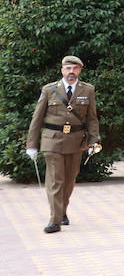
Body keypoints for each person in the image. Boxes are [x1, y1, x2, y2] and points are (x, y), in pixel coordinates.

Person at [26, 56, 100, 234]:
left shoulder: (87, 90)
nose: (71, 72)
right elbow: (37, 119)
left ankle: (62, 211)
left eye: (75, 68)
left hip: (75, 141)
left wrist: (93, 141)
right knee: (56, 180)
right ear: (62, 70)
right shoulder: (49, 90)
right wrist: (32, 145)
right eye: (68, 68)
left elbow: (92, 119)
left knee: (69, 181)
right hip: (52, 141)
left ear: (80, 70)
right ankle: (54, 220)